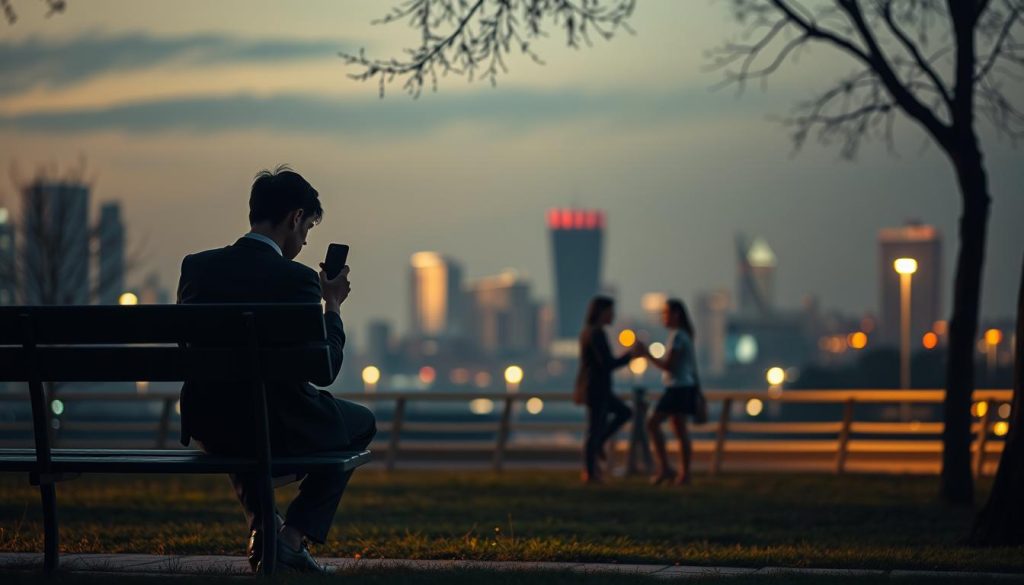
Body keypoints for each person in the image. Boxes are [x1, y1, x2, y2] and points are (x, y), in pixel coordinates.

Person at [176, 165, 376, 573]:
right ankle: (291, 537)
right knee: (359, 424)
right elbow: (326, 369)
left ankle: (264, 526)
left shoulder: (197, 268)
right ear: (295, 218)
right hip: (276, 424)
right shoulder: (296, 280)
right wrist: (332, 304)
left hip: (210, 423)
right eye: (307, 230)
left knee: (242, 417)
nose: (304, 240)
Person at [574, 296, 639, 484]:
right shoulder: (596, 334)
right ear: (601, 312)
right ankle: (590, 472)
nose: (613, 315)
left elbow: (593, 364)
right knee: (596, 429)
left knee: (619, 415)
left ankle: (594, 460)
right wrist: (631, 356)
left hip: (594, 387)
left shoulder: (588, 332)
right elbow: (607, 363)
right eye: (611, 312)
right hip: (597, 389)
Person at [644, 298, 700, 486]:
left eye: (665, 313)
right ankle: (682, 473)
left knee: (653, 424)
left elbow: (669, 365)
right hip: (683, 387)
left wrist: (647, 354)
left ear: (676, 314)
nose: (663, 317)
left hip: (677, 388)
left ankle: (668, 469)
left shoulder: (678, 337)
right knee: (679, 430)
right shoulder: (683, 335)